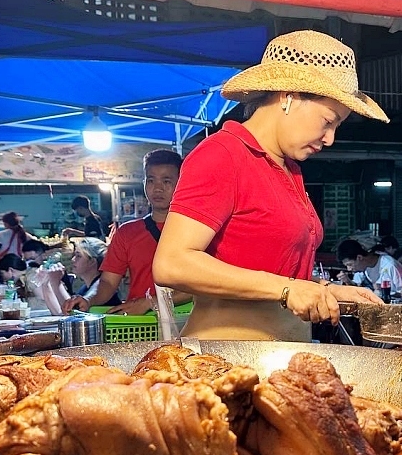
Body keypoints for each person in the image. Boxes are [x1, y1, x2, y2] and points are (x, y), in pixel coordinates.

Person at [152, 30, 387, 340]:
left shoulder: (289, 169)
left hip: (283, 358)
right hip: (227, 361)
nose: (330, 138)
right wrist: (288, 289)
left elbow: (275, 277)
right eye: (328, 120)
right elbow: (171, 263)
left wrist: (327, 291)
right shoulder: (222, 154)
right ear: (288, 97)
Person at [64, 149, 183, 315]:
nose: (157, 188)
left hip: (186, 321)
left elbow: (204, 285)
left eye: (166, 181)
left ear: (181, 183)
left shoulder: (199, 230)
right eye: (151, 180)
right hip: (140, 325)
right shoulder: (127, 233)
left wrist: (150, 302)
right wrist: (88, 298)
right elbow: (107, 282)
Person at [39, 238, 122, 314]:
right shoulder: (86, 288)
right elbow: (60, 313)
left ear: (92, 261)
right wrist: (45, 284)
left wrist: (56, 283)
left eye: (78, 256)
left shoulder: (101, 289)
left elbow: (72, 315)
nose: (73, 259)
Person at [335, 239, 402, 296]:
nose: (349, 269)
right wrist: (348, 281)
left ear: (359, 257)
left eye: (349, 264)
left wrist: (384, 291)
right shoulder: (363, 267)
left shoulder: (390, 265)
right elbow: (358, 287)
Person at [0, 211, 34, 281]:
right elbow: (34, 246)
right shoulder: (25, 235)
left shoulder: (1, 234)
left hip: (4, 266)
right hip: (17, 265)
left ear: (6, 223)